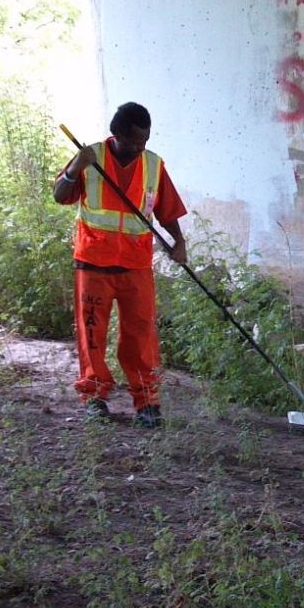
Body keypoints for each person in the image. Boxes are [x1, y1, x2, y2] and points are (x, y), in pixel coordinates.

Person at [53, 103, 188, 428]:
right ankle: (94, 397)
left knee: (141, 335)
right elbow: (60, 195)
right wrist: (75, 169)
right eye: (135, 142)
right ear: (118, 135)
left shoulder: (153, 164)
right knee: (92, 334)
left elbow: (166, 209)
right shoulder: (91, 156)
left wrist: (179, 243)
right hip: (93, 264)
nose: (141, 148)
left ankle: (147, 402)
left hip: (135, 266)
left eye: (145, 141)